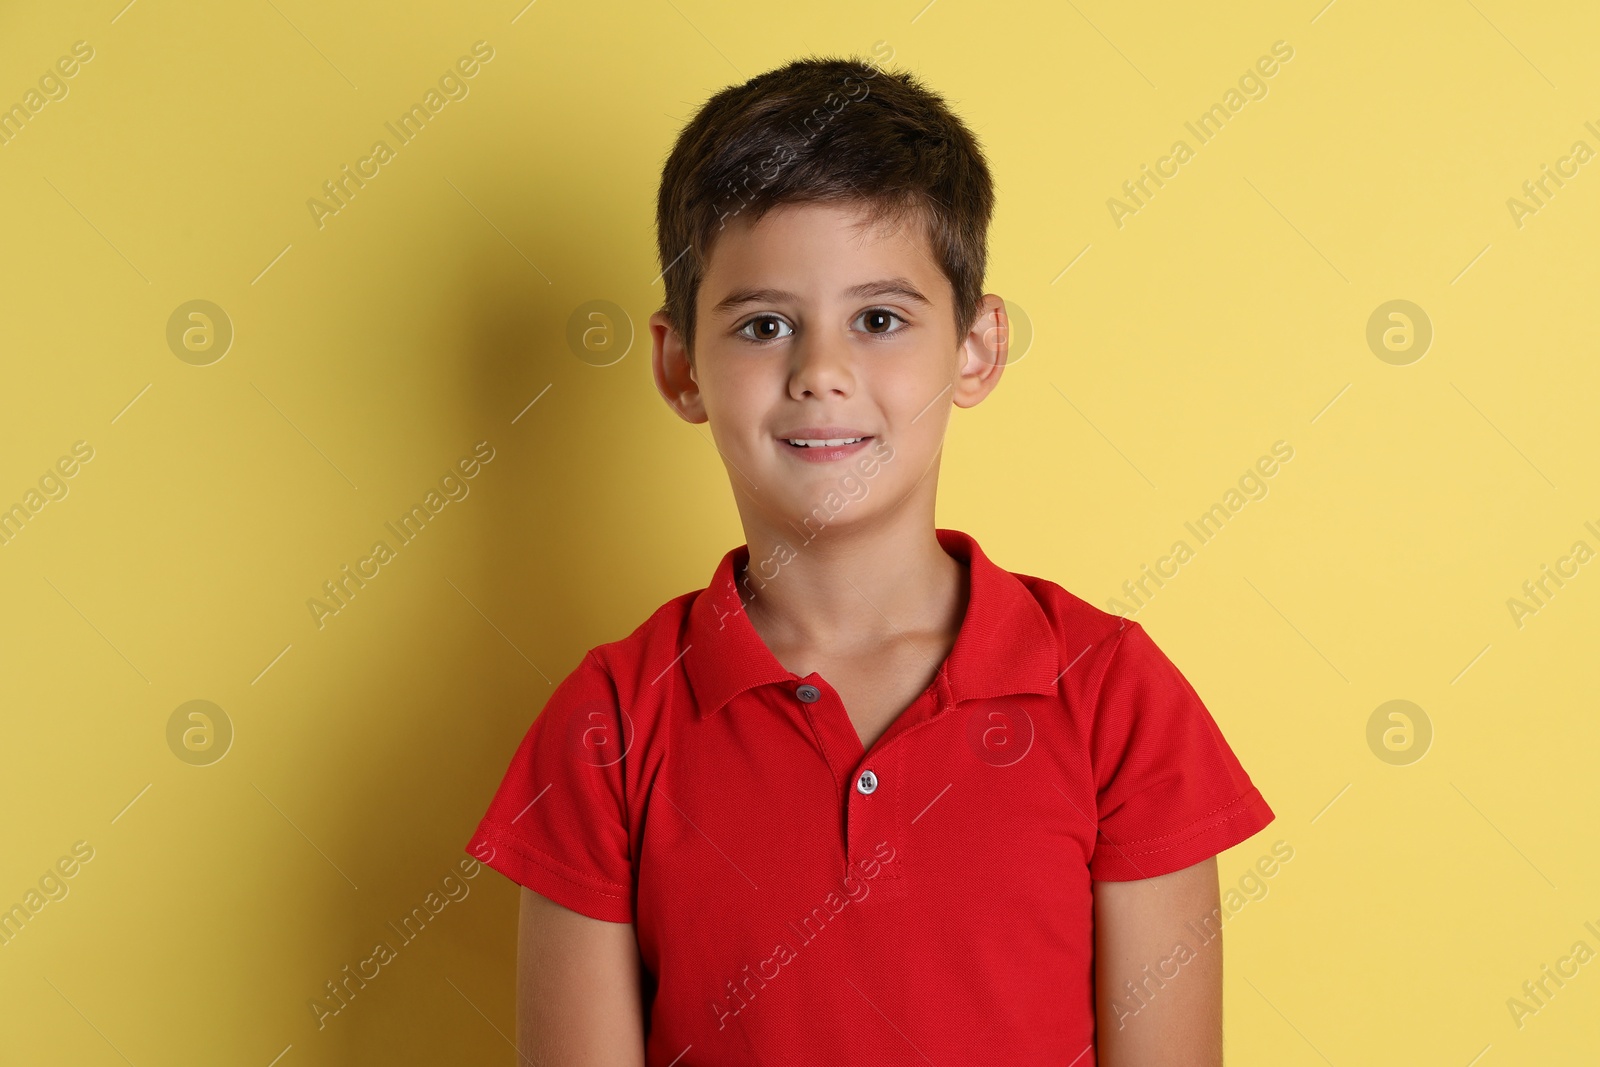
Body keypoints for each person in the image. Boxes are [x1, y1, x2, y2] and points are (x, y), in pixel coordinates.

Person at [465, 51, 1275, 1066]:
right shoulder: (607, 725)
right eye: (765, 325)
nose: (822, 373)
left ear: (976, 347)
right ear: (679, 365)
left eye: (879, 319)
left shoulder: (1114, 697)